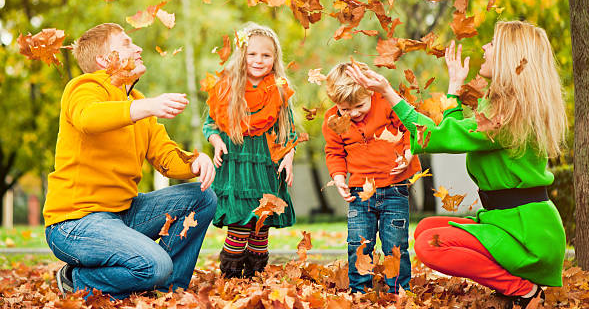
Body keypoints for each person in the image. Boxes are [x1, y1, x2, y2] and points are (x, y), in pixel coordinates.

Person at [347, 20, 567, 308]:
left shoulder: (505, 118)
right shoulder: (506, 109)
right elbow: (454, 136)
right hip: (512, 223)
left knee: (430, 244)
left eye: (493, 44)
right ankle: (516, 282)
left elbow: (436, 138)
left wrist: (389, 93)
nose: (485, 48)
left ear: (510, 58)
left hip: (525, 234)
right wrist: (454, 88)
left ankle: (524, 290)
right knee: (425, 229)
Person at [43, 23, 218, 300]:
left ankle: (167, 292)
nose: (137, 48)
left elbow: (166, 157)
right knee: (155, 264)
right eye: (126, 43)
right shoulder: (83, 88)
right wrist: (145, 107)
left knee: (202, 197)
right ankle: (77, 279)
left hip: (122, 214)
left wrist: (196, 161)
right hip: (74, 223)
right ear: (104, 60)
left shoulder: (137, 103)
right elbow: (88, 118)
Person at [202, 22, 297, 278]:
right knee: (240, 223)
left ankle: (255, 276)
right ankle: (231, 277)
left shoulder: (278, 89)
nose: (258, 60)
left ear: (275, 58)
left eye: (266, 55)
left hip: (265, 165)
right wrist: (216, 141)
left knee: (260, 225)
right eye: (252, 54)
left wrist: (289, 156)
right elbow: (210, 123)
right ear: (241, 55)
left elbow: (289, 130)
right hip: (237, 164)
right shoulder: (226, 87)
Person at [322, 61, 422, 294]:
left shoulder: (386, 104)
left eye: (359, 106)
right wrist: (338, 177)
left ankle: (398, 290)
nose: (353, 114)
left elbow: (410, 128)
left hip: (394, 189)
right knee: (358, 244)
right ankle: (359, 290)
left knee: (394, 245)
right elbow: (334, 152)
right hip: (359, 192)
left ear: (370, 92)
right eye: (345, 109)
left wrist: (407, 154)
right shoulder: (333, 121)